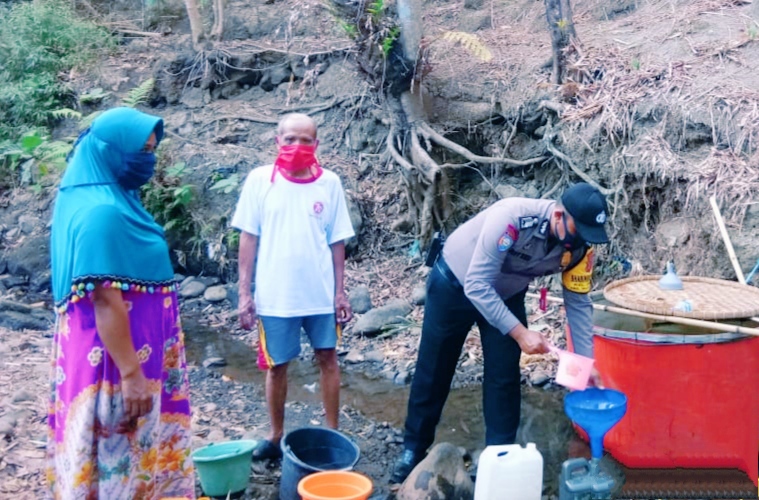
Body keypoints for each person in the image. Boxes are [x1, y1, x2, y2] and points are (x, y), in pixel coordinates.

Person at [390, 182, 611, 484]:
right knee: (434, 370)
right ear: (559, 216)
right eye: (579, 231)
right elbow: (477, 286)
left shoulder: (580, 247)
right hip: (455, 285)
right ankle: (413, 450)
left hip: (507, 294)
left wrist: (585, 362)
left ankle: (499, 458)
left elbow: (578, 302)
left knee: (504, 378)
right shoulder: (512, 219)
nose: (582, 241)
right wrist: (520, 333)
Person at [47, 107, 195, 498]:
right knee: (121, 462)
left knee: (114, 458)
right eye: (140, 152)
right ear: (110, 152)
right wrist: (131, 375)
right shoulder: (103, 213)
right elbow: (105, 299)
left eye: (150, 151)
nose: (147, 161)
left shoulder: (95, 197)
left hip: (113, 353)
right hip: (116, 363)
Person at [232, 113, 355, 460]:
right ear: (277, 141)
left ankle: (333, 434)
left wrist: (340, 291)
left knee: (328, 358)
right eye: (290, 139)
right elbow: (248, 237)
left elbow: (337, 241)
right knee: (277, 365)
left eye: (305, 140)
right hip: (275, 296)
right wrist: (245, 293)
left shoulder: (329, 183)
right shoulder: (260, 181)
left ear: (316, 145)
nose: (297, 146)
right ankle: (275, 436)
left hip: (319, 293)